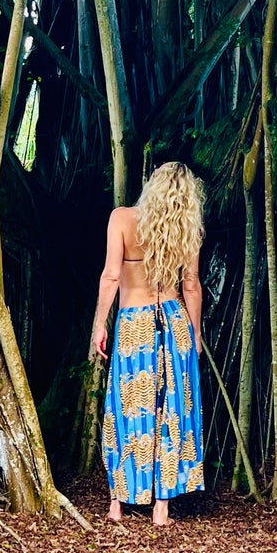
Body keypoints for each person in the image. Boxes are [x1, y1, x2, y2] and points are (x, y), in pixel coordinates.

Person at [89, 161, 206, 525]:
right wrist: (196, 334)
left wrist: (98, 324)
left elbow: (110, 276)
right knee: (171, 410)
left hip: (134, 323)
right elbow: (191, 285)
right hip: (174, 322)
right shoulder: (187, 228)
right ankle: (161, 507)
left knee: (127, 409)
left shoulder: (121, 219)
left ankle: (117, 503)